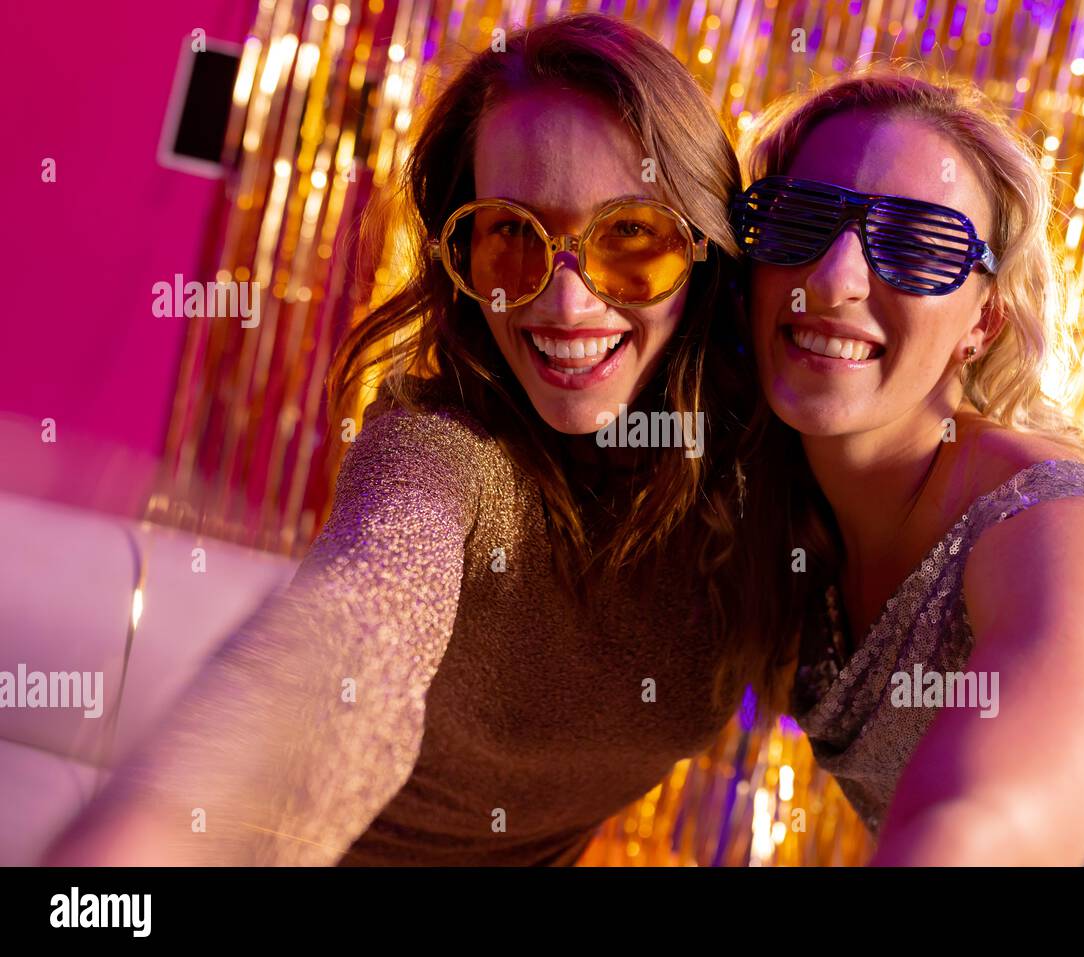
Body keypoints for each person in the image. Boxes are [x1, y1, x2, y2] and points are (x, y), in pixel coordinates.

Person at [41, 13, 791, 867]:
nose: (567, 304)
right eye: (513, 236)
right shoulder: (439, 452)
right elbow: (349, 636)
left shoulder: (765, 476)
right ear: (460, 255)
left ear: (703, 246)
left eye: (630, 236)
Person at [733, 64, 1084, 865]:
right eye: (800, 220)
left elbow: (985, 822)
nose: (831, 281)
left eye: (917, 246)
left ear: (984, 321)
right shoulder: (773, 506)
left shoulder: (1064, 531)